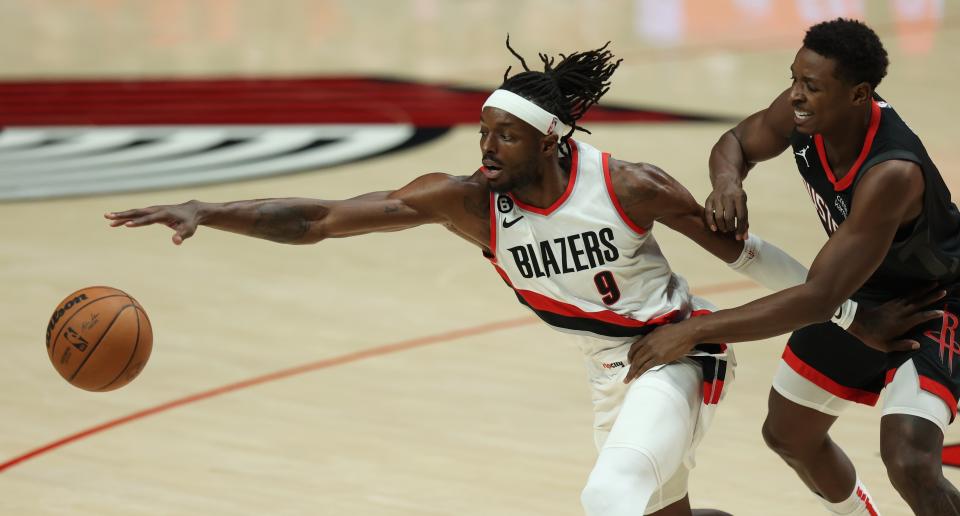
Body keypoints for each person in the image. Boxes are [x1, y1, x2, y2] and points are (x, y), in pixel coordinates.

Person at [106, 39, 910, 516]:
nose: (486, 151)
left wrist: (835, 307)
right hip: (606, 373)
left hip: (671, 356)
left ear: (553, 142)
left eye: (505, 140)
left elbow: (739, 253)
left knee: (607, 498)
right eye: (482, 134)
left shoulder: (628, 183)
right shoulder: (465, 201)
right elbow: (317, 219)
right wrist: (209, 209)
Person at [625, 18, 958, 516]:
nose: (796, 95)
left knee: (909, 459)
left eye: (812, 86)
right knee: (788, 435)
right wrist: (727, 183)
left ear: (858, 93)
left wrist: (696, 331)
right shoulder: (803, 111)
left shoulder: (892, 171)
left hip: (933, 303)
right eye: (794, 79)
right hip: (860, 290)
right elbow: (736, 141)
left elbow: (817, 298)